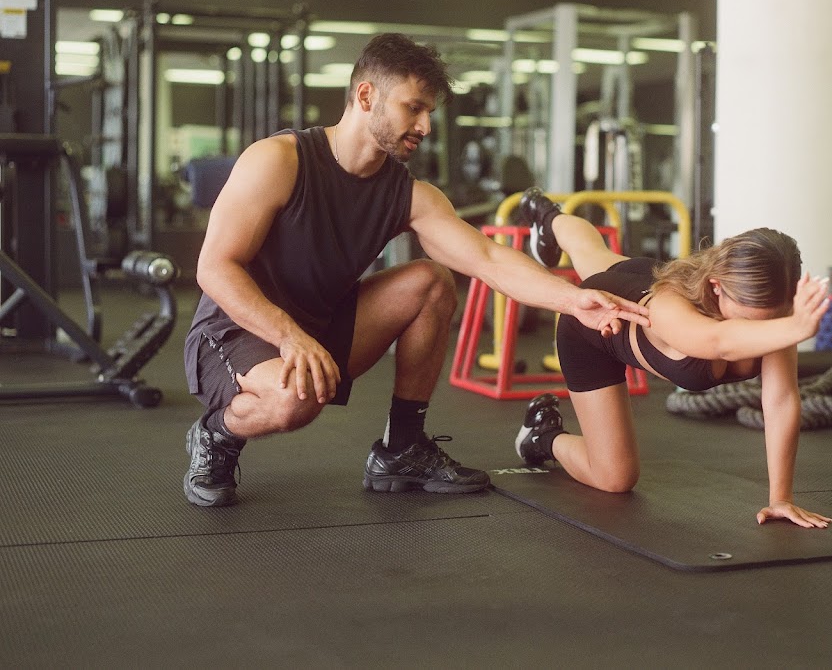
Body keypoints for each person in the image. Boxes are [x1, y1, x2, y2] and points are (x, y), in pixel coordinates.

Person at [182, 34, 650, 508]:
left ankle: (402, 449)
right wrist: (289, 337)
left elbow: (487, 259)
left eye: (429, 112)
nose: (425, 126)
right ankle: (216, 435)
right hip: (234, 330)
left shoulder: (406, 194)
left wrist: (574, 299)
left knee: (430, 281)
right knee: (294, 397)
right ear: (367, 96)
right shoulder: (280, 160)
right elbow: (215, 267)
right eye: (414, 108)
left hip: (319, 327)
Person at [514, 188, 832, 529]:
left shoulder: (774, 313)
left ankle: (548, 218)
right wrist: (795, 327)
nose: (763, 331)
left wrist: (781, 498)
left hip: (634, 281)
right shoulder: (671, 308)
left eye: (775, 320)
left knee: (591, 251)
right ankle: (542, 435)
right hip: (591, 334)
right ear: (716, 287)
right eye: (749, 320)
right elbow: (719, 342)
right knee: (615, 477)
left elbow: (781, 399)